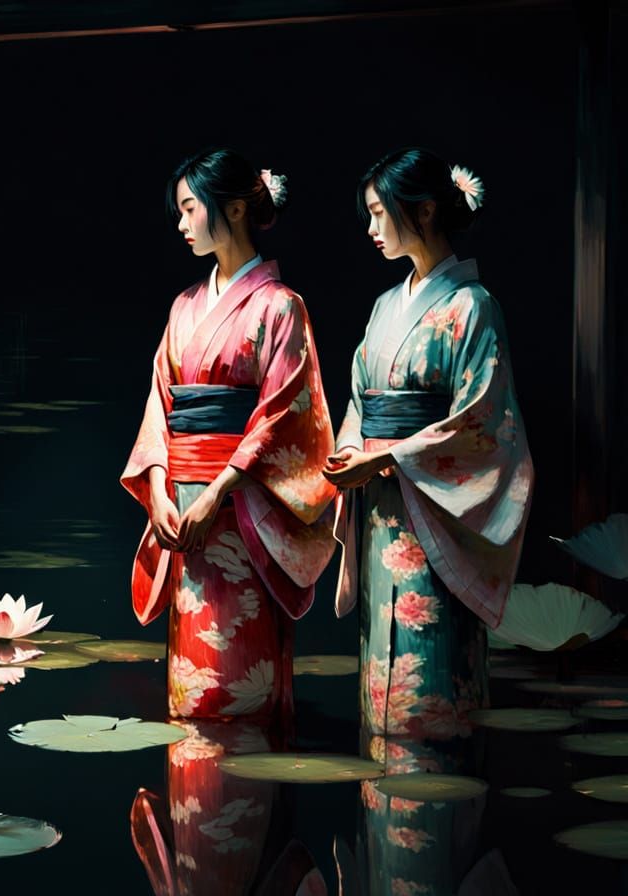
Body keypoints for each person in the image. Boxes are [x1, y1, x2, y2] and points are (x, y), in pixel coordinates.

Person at [323, 147, 533, 743]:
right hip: (379, 507)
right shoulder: (384, 307)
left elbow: (483, 422)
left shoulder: (474, 307)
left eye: (379, 212)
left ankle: (442, 782)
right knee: (382, 673)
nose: (371, 228)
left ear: (424, 210)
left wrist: (389, 455)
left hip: (436, 513)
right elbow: (361, 399)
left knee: (431, 670)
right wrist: (351, 450)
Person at [121, 148, 336, 720]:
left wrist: (218, 491)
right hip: (181, 502)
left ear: (236, 209)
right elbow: (159, 405)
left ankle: (250, 769)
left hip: (242, 507)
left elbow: (281, 414)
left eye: (191, 208)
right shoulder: (183, 307)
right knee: (191, 680)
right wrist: (160, 489)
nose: (181, 222)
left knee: (242, 671)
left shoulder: (281, 307)